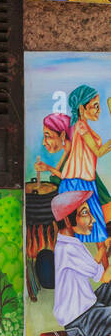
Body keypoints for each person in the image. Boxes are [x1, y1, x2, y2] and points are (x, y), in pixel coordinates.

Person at [51, 190, 111, 336]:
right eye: (85, 213)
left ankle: (103, 316)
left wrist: (102, 249)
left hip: (85, 315)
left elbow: (92, 268)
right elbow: (104, 277)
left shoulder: (70, 243)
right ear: (67, 220)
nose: (92, 219)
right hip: (83, 326)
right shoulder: (69, 249)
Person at [60, 85, 111, 245]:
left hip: (85, 181)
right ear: (82, 108)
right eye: (95, 106)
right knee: (90, 226)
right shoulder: (81, 125)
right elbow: (98, 151)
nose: (99, 110)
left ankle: (103, 266)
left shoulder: (83, 125)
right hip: (77, 182)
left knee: (96, 226)